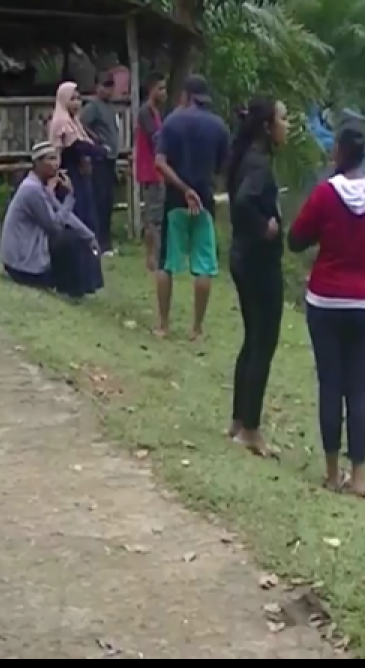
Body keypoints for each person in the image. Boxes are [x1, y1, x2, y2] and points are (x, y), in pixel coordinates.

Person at [287, 122, 365, 497]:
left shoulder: (324, 195)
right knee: (358, 388)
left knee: (330, 384)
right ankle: (358, 478)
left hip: (325, 301)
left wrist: (328, 247)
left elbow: (295, 240)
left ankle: (330, 473)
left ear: (338, 153)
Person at [226, 97, 288, 456]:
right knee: (263, 342)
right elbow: (244, 202)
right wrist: (266, 225)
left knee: (252, 340)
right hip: (258, 264)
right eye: (283, 118)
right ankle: (251, 429)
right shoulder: (259, 164)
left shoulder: (247, 156)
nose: (287, 125)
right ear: (267, 126)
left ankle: (239, 420)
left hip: (242, 259)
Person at [153, 74, 230, 340]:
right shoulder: (219, 126)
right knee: (204, 266)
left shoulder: (172, 121)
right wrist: (199, 190)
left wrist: (184, 190)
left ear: (185, 96)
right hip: (205, 202)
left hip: (175, 201)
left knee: (166, 264)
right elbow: (223, 168)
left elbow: (160, 162)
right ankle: (196, 328)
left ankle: (163, 325)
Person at [0, 141, 103, 300]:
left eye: (56, 159)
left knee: (80, 237)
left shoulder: (40, 186)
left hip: (26, 258)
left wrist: (90, 236)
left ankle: (85, 287)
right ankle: (71, 291)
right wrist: (69, 196)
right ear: (38, 163)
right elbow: (54, 227)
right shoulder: (32, 189)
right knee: (69, 240)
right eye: (51, 159)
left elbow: (65, 214)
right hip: (22, 263)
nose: (56, 164)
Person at [48, 81, 100, 235]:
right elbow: (75, 146)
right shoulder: (61, 122)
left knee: (86, 213)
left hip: (80, 173)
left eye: (79, 98)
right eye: (72, 98)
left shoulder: (75, 123)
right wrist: (98, 151)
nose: (77, 102)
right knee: (74, 214)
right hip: (67, 174)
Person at [79, 70, 121, 255]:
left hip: (110, 159)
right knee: (99, 201)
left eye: (111, 85)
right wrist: (96, 140)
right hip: (99, 160)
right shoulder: (93, 106)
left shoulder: (109, 107)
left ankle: (106, 242)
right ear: (97, 87)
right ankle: (98, 242)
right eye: (105, 85)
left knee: (108, 202)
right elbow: (81, 124)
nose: (109, 89)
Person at [135, 73, 167, 272]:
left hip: (157, 170)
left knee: (158, 215)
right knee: (153, 216)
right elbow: (155, 138)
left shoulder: (155, 111)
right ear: (152, 89)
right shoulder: (146, 112)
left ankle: (157, 255)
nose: (164, 93)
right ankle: (152, 257)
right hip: (151, 170)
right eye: (161, 88)